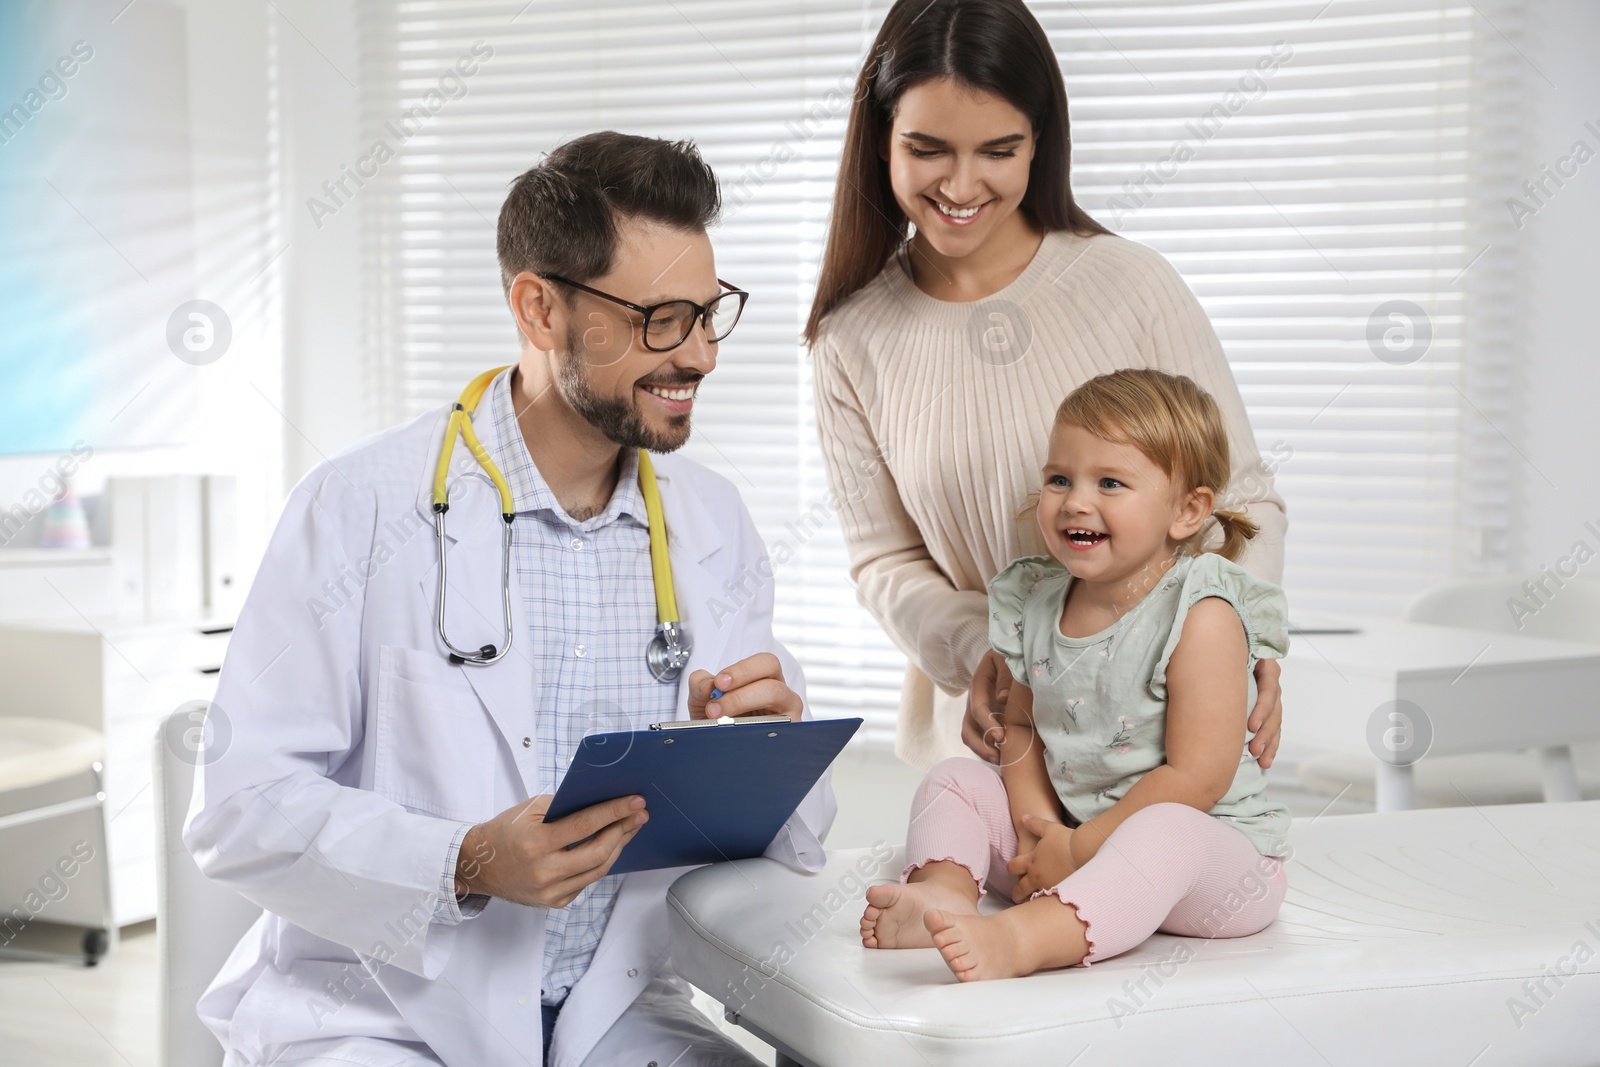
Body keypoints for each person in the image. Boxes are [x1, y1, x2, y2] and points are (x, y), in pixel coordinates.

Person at [185, 132, 831, 1067]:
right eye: (659, 318)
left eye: (707, 313)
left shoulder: (710, 524)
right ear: (539, 307)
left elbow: (766, 841)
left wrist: (771, 754)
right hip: (378, 1016)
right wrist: (464, 861)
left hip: (613, 1011)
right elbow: (242, 808)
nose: (699, 355)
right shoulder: (361, 507)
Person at [806, 0, 1288, 773]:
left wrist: (1242, 636)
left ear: (1040, 143)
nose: (961, 185)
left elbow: (1242, 501)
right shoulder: (851, 338)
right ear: (880, 141)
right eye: (928, 149)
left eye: (999, 150)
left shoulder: (1129, 283)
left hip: (1161, 739)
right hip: (991, 742)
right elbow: (884, 561)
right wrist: (990, 648)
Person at [860, 369, 1291, 980]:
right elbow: (1020, 733)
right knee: (955, 777)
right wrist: (1041, 840)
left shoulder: (1201, 614)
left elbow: (1197, 778)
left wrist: (1082, 850)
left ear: (1188, 510)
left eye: (1109, 482)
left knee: (1167, 830)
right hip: (1072, 839)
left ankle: (1020, 941)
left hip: (1215, 862)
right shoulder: (1035, 599)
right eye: (1059, 479)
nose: (1075, 501)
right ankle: (943, 893)